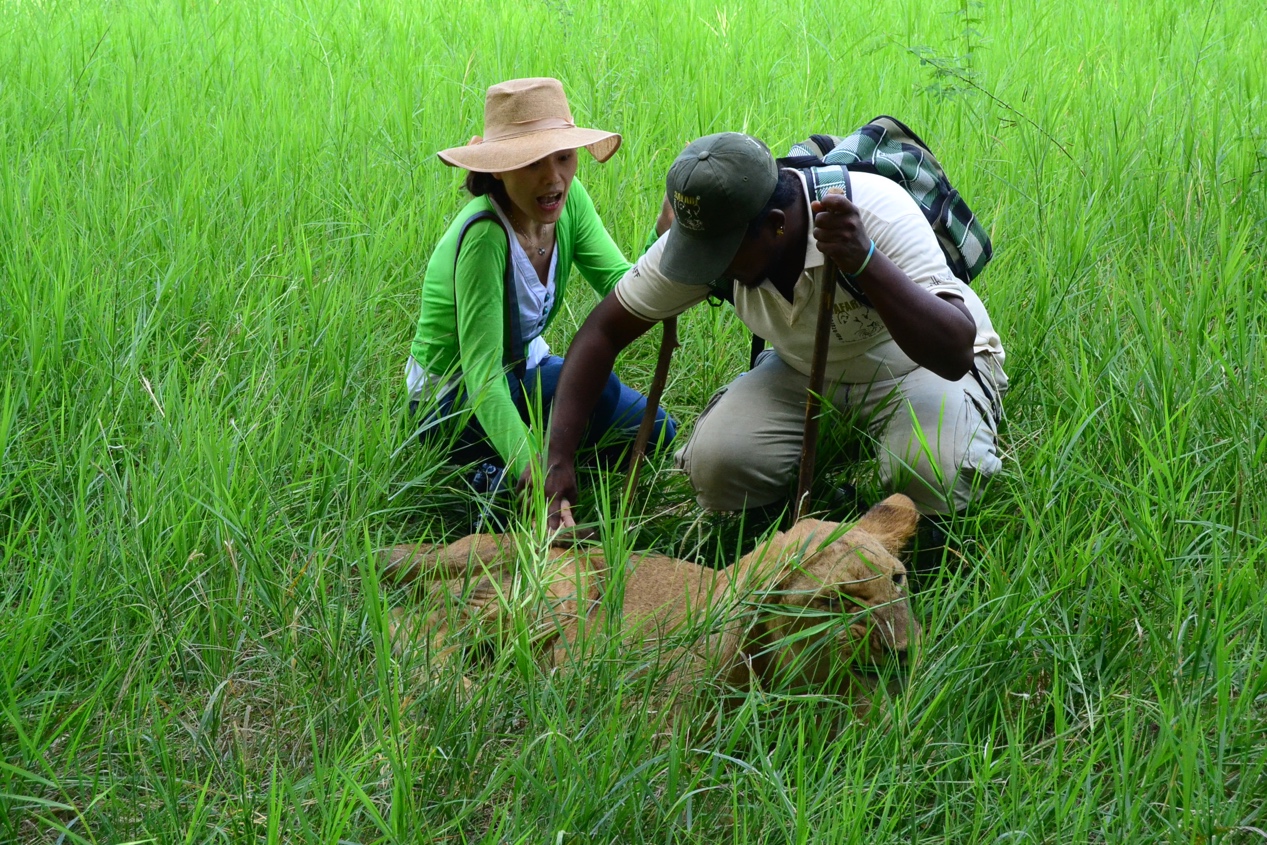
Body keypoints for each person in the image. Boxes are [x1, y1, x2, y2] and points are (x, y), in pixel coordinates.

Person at [535, 131, 1007, 533]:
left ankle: (927, 520)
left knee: (927, 472)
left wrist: (864, 262)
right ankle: (804, 499)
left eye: (720, 257)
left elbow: (953, 351)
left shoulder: (876, 209)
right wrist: (558, 456)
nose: (705, 268)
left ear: (776, 227)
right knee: (717, 465)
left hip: (917, 366)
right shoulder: (710, 234)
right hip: (806, 370)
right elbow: (602, 331)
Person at [406, 78, 676, 497]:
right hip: (454, 399)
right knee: (596, 388)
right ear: (497, 166)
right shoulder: (484, 238)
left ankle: (535, 467)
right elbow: (482, 377)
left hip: (525, 370)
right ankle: (504, 474)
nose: (554, 179)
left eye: (564, 158)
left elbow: (623, 287)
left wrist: (665, 241)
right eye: (532, 164)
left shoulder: (570, 203)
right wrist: (530, 464)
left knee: (657, 431)